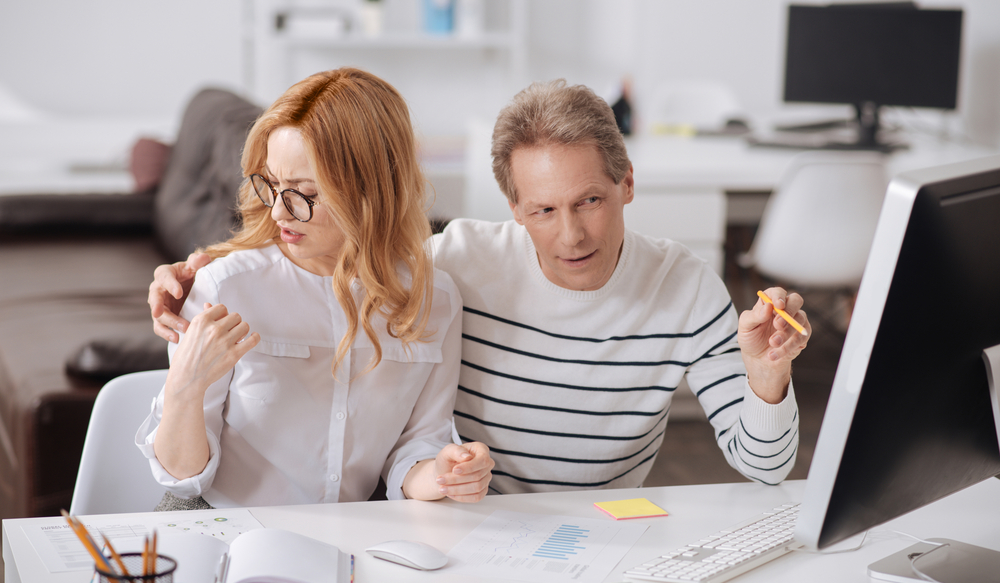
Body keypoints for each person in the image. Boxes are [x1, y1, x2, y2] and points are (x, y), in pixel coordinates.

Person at [150, 79, 808, 496]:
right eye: (543, 210)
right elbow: (349, 253)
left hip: (604, 529)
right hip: (468, 520)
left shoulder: (686, 287)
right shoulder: (459, 261)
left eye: (591, 201)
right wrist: (208, 268)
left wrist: (764, 374)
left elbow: (767, 467)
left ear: (627, 184)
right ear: (513, 208)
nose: (571, 234)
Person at [138, 68, 493, 511]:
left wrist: (446, 474)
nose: (281, 212)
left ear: (372, 191)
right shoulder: (223, 286)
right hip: (219, 521)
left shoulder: (434, 300)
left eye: (305, 192)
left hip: (349, 530)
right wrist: (185, 389)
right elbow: (183, 478)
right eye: (272, 185)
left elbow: (418, 445)